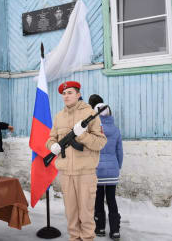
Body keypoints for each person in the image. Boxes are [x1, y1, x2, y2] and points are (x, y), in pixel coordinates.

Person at [46, 81, 107, 241]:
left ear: (78, 94)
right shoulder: (59, 116)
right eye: (64, 94)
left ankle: (87, 238)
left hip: (85, 173)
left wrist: (82, 135)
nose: (66, 96)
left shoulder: (89, 113)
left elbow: (100, 143)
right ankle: (74, 238)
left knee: (86, 213)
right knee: (71, 213)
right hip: (66, 172)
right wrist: (53, 146)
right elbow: (51, 138)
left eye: (70, 92)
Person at [88, 95, 123, 240]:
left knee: (98, 201)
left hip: (97, 170)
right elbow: (119, 151)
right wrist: (117, 167)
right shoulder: (115, 130)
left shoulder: (94, 130)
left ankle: (100, 228)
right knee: (111, 200)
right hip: (112, 171)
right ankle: (115, 231)